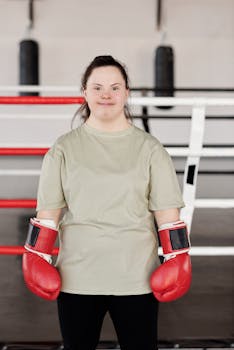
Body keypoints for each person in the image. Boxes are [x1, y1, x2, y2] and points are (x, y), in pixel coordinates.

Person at [22, 55, 192, 350]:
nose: (106, 95)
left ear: (127, 93)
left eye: (115, 87)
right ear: (84, 92)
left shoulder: (151, 149)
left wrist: (178, 258)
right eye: (97, 87)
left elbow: (168, 217)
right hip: (78, 278)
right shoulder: (63, 149)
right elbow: (48, 216)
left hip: (136, 278)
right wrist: (35, 256)